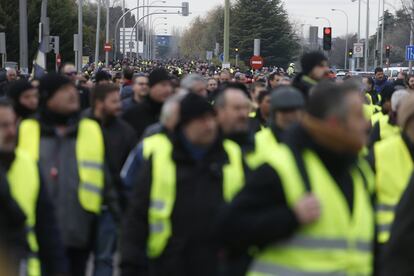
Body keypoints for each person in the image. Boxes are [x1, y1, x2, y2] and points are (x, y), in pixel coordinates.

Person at [217, 80, 375, 276]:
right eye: (359, 116)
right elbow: (228, 227)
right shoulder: (282, 168)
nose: (367, 124)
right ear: (334, 123)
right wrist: (290, 218)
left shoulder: (359, 171)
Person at [120, 93, 245, 276]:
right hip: (168, 262)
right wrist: (129, 264)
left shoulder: (231, 154)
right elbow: (137, 216)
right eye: (201, 120)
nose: (209, 126)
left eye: (211, 119)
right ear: (185, 124)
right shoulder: (161, 157)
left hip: (218, 263)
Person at [17, 73, 120, 275]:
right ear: (47, 97)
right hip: (36, 235)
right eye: (64, 91)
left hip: (78, 233)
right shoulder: (27, 130)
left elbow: (107, 178)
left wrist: (121, 218)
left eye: (73, 89)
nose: (73, 94)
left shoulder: (90, 129)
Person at [0, 99, 68, 276]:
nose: (11, 132)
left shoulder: (28, 164)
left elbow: (47, 229)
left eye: (12, 124)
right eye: (3, 126)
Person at [89, 83, 137, 276]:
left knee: (104, 259)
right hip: (79, 207)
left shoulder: (126, 132)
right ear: (99, 103)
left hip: (110, 206)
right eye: (114, 101)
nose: (119, 105)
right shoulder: (81, 126)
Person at [246, 86, 305, 169]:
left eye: (294, 110)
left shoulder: (311, 139)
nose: (290, 116)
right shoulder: (257, 140)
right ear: (274, 113)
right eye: (284, 111)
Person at [122, 68, 173, 139]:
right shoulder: (132, 113)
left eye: (170, 86)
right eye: (163, 85)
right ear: (151, 87)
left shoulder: (174, 113)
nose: (168, 89)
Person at [215, 83, 252, 150]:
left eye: (245, 108)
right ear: (220, 111)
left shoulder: (258, 142)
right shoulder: (208, 148)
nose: (243, 114)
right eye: (237, 108)